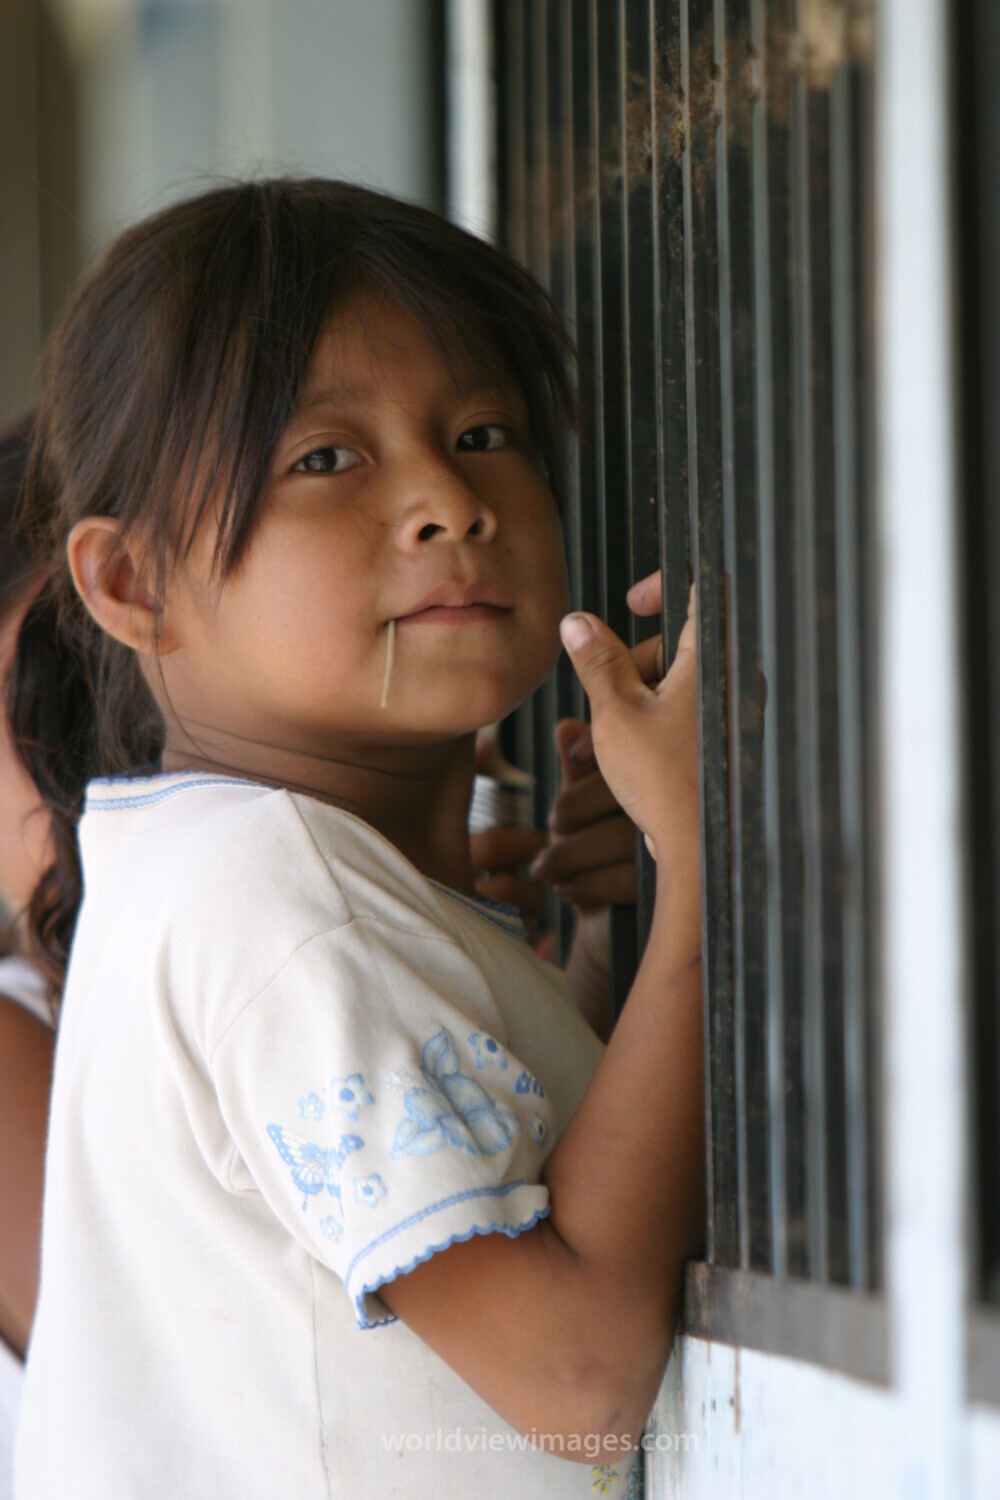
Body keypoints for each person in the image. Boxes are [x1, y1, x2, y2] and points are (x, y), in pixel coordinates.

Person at [13, 178, 703, 1500]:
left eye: (487, 430)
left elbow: (539, 1210)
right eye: (326, 458)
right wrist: (713, 884)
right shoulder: (273, 899)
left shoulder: (229, 878)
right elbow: (578, 1375)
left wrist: (626, 941)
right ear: (130, 583)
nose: (449, 499)